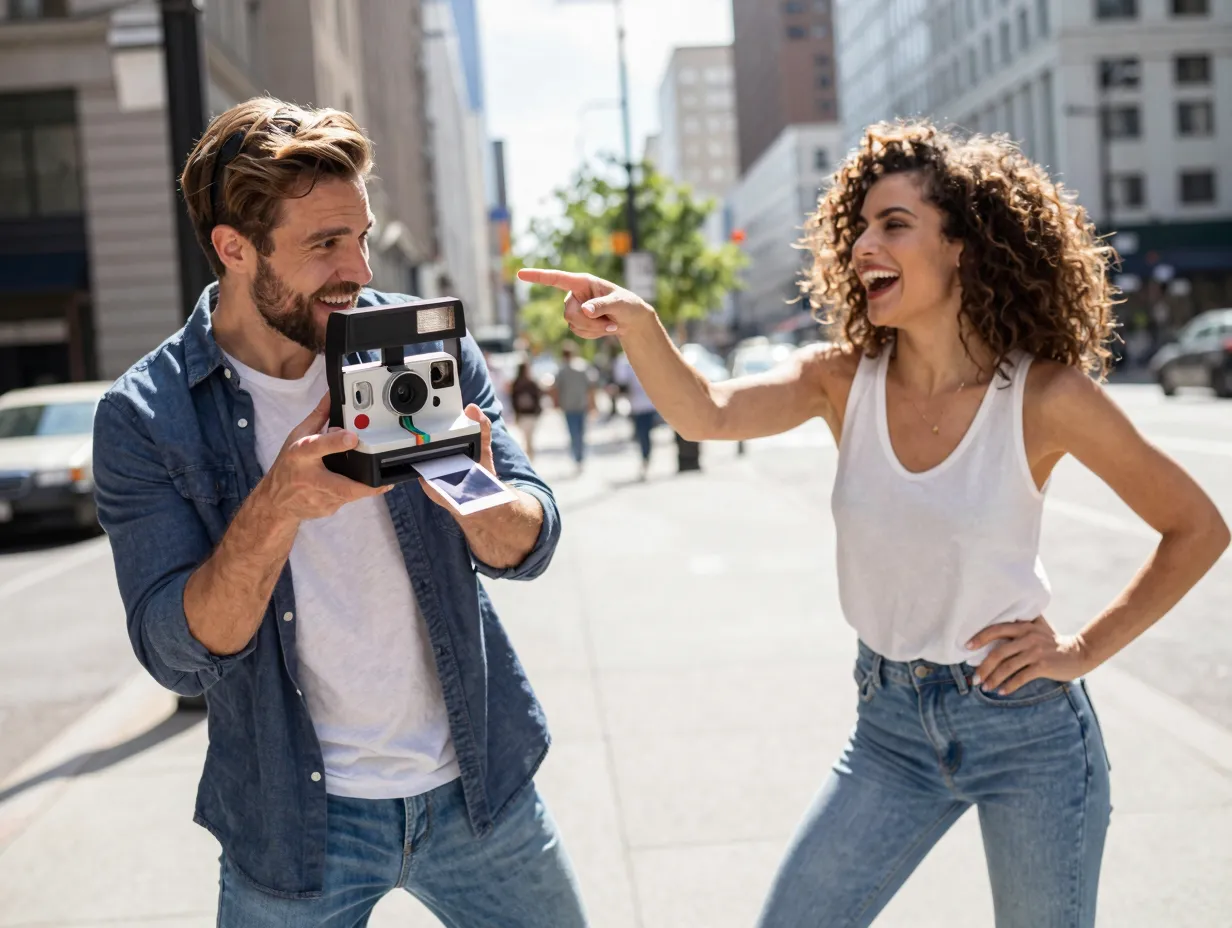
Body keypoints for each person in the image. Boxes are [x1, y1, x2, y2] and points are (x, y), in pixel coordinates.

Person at [519, 121, 1229, 928]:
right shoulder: (839, 380)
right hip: (890, 726)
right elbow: (706, 412)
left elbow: (1197, 527)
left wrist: (1080, 651)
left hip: (1026, 735)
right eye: (858, 228)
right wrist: (641, 325)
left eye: (894, 225)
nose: (863, 246)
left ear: (963, 245)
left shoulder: (1044, 397)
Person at [91, 98, 588, 928]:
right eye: (324, 244)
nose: (356, 267)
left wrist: (479, 499)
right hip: (293, 824)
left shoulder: (419, 342)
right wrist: (276, 506)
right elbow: (176, 654)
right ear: (234, 248)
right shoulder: (147, 415)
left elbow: (529, 539)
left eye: (359, 235)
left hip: (478, 785)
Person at [611, 350, 658, 479]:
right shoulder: (624, 361)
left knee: (644, 434)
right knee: (643, 434)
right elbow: (622, 384)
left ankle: (646, 458)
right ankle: (646, 458)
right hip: (639, 405)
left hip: (647, 404)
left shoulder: (647, 356)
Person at [551, 341, 596, 473]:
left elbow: (556, 389)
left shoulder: (561, 370)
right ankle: (580, 457)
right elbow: (591, 387)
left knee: (573, 433)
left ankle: (578, 458)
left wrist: (556, 403)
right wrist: (593, 404)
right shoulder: (583, 366)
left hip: (569, 406)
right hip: (581, 404)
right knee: (581, 433)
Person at [510, 360, 544, 462]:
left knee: (527, 438)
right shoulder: (529, 383)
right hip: (527, 414)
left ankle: (528, 456)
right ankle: (529, 456)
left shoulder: (517, 383)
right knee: (528, 438)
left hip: (527, 414)